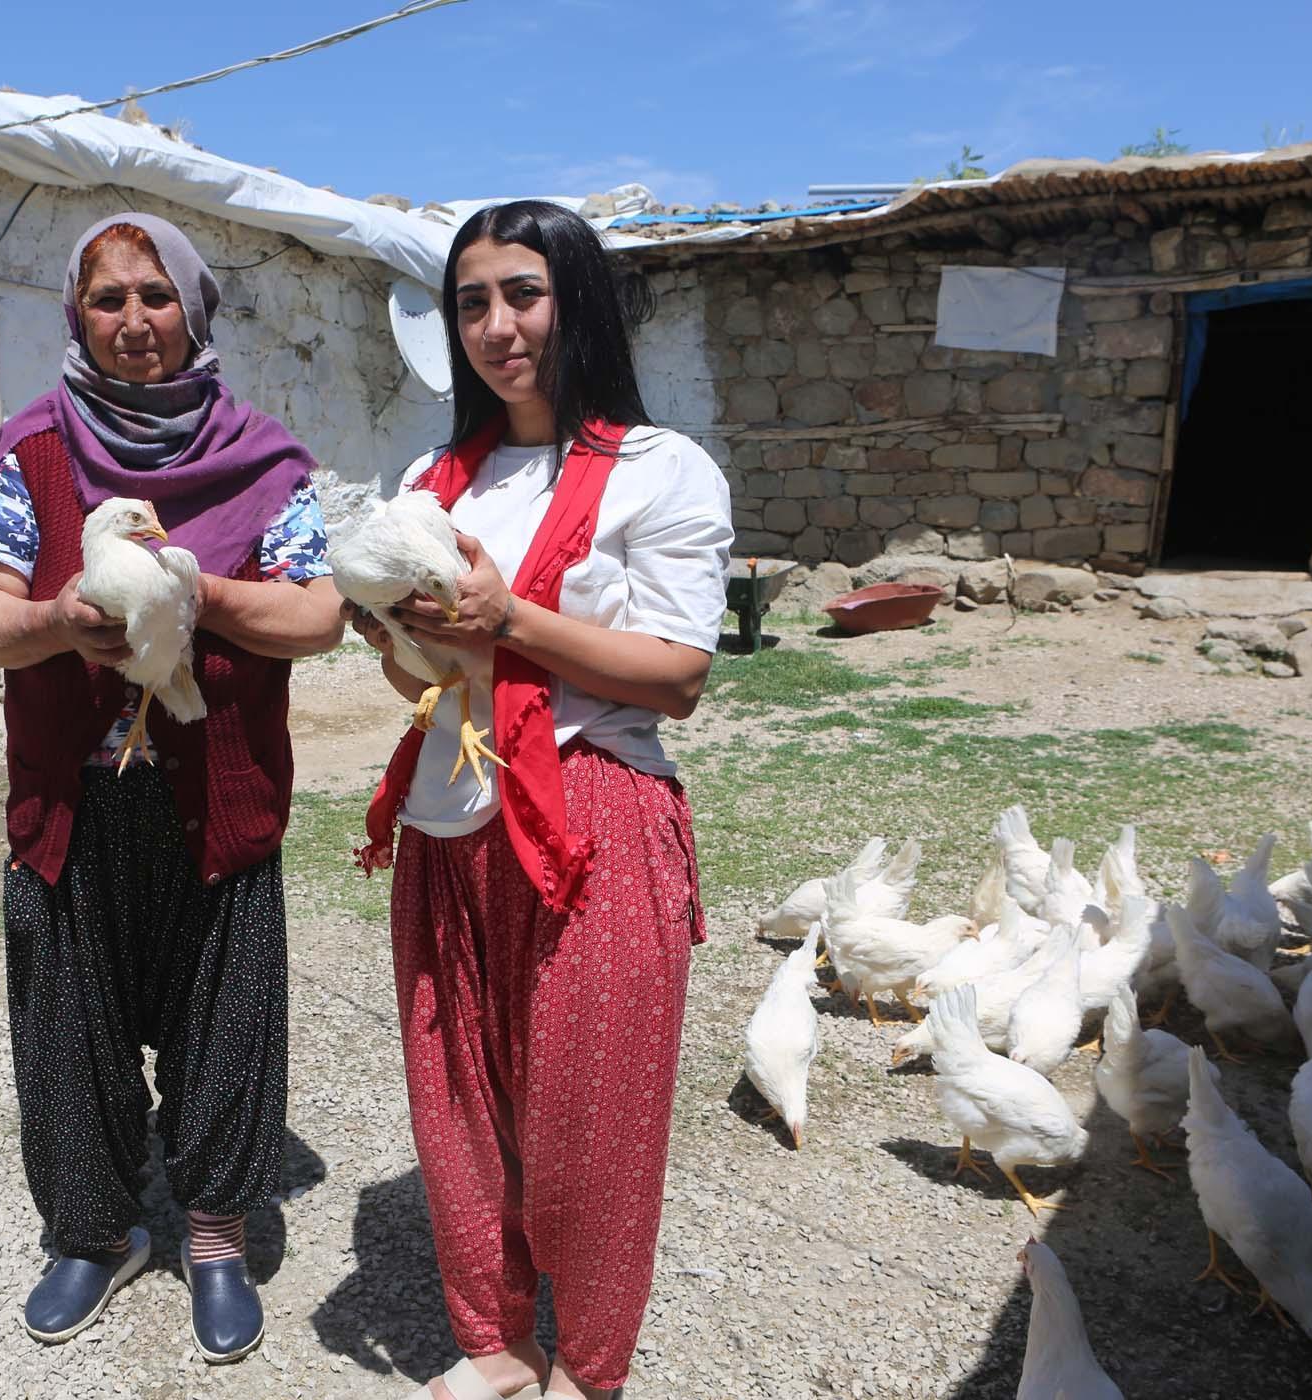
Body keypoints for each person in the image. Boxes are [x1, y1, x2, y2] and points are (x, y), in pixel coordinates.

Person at [348, 200, 733, 1400]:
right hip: (451, 804)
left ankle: (591, 1365)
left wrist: (508, 618)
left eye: (524, 292)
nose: (498, 326)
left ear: (577, 299)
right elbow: (420, 671)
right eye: (473, 302)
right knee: (456, 1083)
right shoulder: (434, 480)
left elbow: (677, 675)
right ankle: (497, 1340)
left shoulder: (658, 469)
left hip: (591, 809)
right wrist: (397, 634)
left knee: (588, 1111)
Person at [0, 213, 343, 1364]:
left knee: (225, 1015)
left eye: (156, 296)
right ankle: (96, 1229)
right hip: (72, 797)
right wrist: (56, 617)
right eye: (108, 298)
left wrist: (192, 591)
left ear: (196, 310)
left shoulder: (265, 460)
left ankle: (215, 1232)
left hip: (217, 789)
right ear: (78, 315)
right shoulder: (33, 452)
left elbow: (316, 611)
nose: (133, 321)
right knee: (69, 1017)